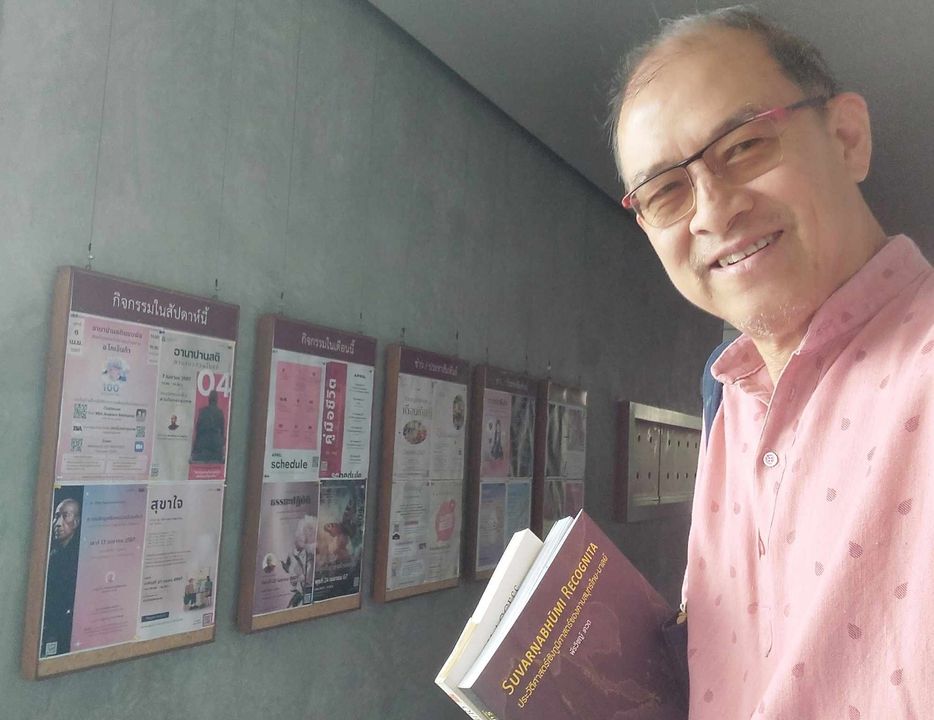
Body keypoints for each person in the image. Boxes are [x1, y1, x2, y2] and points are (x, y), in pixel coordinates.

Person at [608, 7, 932, 718]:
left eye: (745, 145)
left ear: (846, 138)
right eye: (666, 191)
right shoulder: (726, 397)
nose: (712, 212)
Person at [41, 497, 82, 656]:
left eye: (65, 516)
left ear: (76, 522)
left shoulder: (78, 557)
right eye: (56, 516)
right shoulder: (52, 554)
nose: (57, 523)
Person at [190, 390, 226, 463]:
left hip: (202, 445)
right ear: (216, 400)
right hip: (215, 447)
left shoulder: (202, 411)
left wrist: (194, 449)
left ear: (209, 399)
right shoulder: (220, 413)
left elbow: (197, 429)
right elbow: (222, 432)